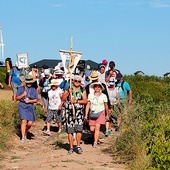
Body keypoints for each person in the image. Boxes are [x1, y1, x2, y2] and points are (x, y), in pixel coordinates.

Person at [61, 75, 87, 154]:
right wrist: (68, 92)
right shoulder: (69, 88)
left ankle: (78, 146)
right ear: (73, 81)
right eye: (75, 81)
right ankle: (71, 147)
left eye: (79, 81)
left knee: (79, 129)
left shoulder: (82, 89)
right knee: (70, 130)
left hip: (78, 111)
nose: (77, 83)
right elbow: (62, 99)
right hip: (69, 111)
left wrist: (76, 101)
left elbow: (85, 101)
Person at [85, 82, 109, 148]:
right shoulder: (90, 95)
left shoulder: (104, 96)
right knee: (92, 129)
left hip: (101, 112)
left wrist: (107, 114)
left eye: (98, 87)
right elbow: (88, 104)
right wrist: (86, 114)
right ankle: (96, 137)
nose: (97, 88)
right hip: (92, 113)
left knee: (97, 127)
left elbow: (106, 105)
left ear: (101, 88)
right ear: (94, 88)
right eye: (96, 87)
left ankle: (95, 142)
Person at [15, 75, 39, 142]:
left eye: (30, 83)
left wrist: (29, 101)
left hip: (30, 106)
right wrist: (22, 95)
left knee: (30, 123)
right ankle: (23, 137)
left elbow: (36, 100)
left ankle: (24, 131)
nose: (29, 84)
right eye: (28, 83)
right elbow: (16, 98)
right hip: (22, 106)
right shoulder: (21, 89)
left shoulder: (33, 90)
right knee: (24, 120)